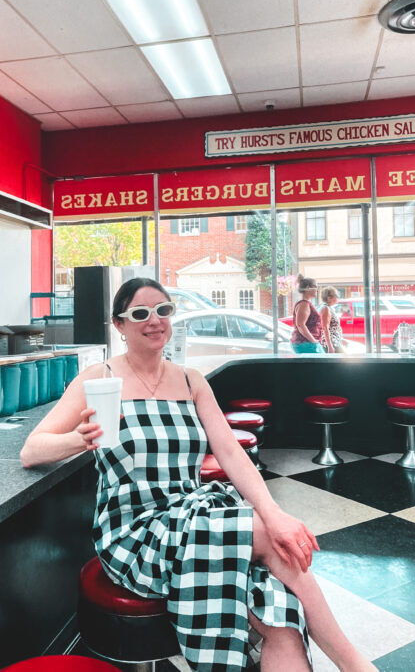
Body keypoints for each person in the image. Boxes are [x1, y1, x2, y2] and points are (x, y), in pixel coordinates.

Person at [21, 277, 376, 672]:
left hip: (195, 515)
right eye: (140, 313)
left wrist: (270, 511)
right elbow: (32, 450)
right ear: (119, 325)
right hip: (136, 531)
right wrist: (78, 438)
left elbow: (231, 454)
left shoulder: (191, 381)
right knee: (272, 539)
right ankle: (356, 665)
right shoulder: (97, 380)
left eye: (163, 310)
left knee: (283, 621)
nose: (154, 320)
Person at [291, 274, 323, 354]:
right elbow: (300, 325)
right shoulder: (304, 304)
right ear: (308, 288)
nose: (317, 289)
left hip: (307, 343)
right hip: (306, 343)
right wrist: (313, 341)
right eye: (315, 287)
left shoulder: (305, 303)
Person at [319, 286, 345, 354]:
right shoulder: (326, 309)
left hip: (335, 342)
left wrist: (341, 340)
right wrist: (330, 346)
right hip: (332, 343)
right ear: (329, 298)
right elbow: (325, 328)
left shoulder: (329, 308)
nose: (338, 297)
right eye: (336, 295)